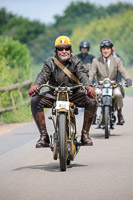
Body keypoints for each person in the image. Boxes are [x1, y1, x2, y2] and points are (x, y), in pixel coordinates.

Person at [28, 35, 97, 148]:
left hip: (73, 94)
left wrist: (88, 86)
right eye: (60, 49)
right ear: (56, 50)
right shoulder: (49, 63)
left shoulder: (76, 62)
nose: (64, 51)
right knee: (35, 100)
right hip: (54, 94)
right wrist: (36, 85)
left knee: (92, 101)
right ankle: (44, 136)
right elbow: (43, 75)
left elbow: (82, 74)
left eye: (67, 48)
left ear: (70, 50)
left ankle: (85, 135)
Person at [89, 39, 132, 125]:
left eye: (108, 48)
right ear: (100, 50)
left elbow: (122, 71)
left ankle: (120, 115)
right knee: (95, 94)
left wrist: (128, 79)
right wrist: (88, 82)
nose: (105, 50)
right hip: (100, 86)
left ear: (111, 49)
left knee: (118, 94)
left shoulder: (117, 60)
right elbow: (92, 73)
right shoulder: (96, 61)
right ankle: (94, 115)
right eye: (103, 48)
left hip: (114, 85)